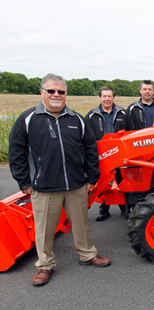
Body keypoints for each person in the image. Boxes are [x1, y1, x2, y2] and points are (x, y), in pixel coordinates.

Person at [9, 73, 111, 287]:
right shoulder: (28, 119)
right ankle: (45, 265)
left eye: (61, 91)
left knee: (81, 224)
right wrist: (24, 182)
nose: (56, 95)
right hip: (44, 186)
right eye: (51, 91)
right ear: (42, 92)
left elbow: (91, 148)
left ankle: (87, 255)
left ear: (65, 94)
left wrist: (91, 177)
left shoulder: (76, 119)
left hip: (75, 184)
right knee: (44, 228)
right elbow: (16, 151)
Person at [85, 86, 129, 221]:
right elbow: (87, 137)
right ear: (100, 97)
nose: (107, 99)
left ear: (113, 97)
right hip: (103, 154)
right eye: (104, 96)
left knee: (122, 180)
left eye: (109, 96)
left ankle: (124, 207)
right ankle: (104, 209)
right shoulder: (92, 115)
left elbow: (131, 132)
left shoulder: (122, 113)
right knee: (103, 182)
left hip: (120, 154)